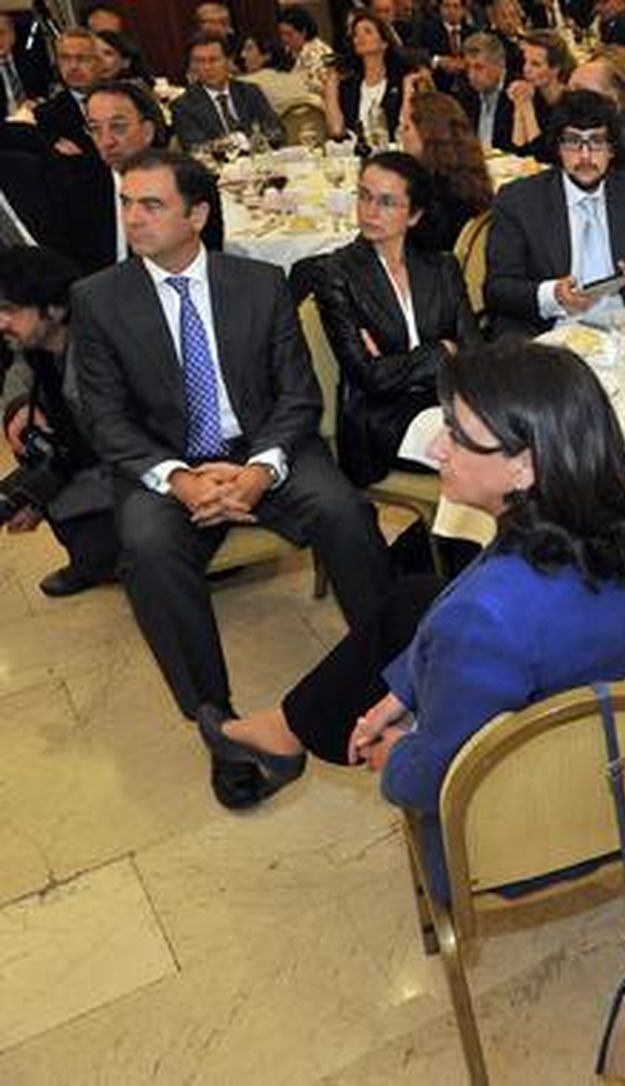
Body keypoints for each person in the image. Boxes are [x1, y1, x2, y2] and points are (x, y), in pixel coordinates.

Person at [195, 341, 625, 902]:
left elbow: (433, 777)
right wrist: (402, 689)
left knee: (417, 616)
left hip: (530, 836)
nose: (435, 448)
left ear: (524, 466)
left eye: (457, 435)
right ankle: (289, 729)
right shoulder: (621, 526)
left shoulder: (484, 617)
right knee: (411, 599)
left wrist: (392, 758)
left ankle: (285, 733)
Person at [70, 149, 391, 809]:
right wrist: (179, 480)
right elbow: (104, 420)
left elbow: (298, 395)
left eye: (151, 204)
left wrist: (258, 470)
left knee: (344, 512)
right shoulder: (98, 300)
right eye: (127, 202)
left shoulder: (259, 284)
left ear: (198, 214)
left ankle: (388, 679)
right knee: (150, 551)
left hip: (263, 448)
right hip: (165, 463)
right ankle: (219, 725)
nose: (133, 217)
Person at [310, 152, 481, 486]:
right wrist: (443, 352)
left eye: (387, 202)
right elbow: (368, 376)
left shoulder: (442, 267)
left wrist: (398, 364)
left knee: (522, 437)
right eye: (364, 196)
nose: (371, 211)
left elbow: (474, 351)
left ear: (414, 215)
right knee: (486, 457)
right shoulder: (335, 274)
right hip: (383, 418)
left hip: (448, 399)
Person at [484, 90, 625, 338]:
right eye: (574, 142)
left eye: (596, 142)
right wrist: (552, 295)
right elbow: (497, 289)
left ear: (611, 149)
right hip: (555, 336)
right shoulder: (520, 200)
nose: (585, 156)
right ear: (558, 147)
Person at [0, 246, 119, 597]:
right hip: (85, 458)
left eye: (9, 310)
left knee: (94, 543)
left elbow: (131, 458)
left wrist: (41, 497)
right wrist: (19, 405)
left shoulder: (100, 362)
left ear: (54, 308)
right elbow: (17, 368)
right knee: (29, 441)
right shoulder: (44, 341)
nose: (0, 322)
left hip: (142, 479)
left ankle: (100, 562)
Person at [61, 80, 226, 276]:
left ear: (148, 131)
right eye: (95, 129)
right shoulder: (76, 187)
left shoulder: (189, 182)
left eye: (118, 127)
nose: (106, 141)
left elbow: (209, 263)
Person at [395, 89, 493, 253]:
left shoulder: (429, 196)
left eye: (406, 128)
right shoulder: (469, 177)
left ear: (427, 134)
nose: (401, 135)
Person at [171, 33, 286, 150]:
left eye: (214, 60)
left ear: (228, 61)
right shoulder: (183, 106)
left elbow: (276, 130)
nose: (207, 67)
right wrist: (239, 142)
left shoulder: (249, 91)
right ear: (192, 66)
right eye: (200, 61)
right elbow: (196, 147)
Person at [323, 10, 418, 143]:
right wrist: (331, 86)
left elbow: (405, 129)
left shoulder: (401, 82)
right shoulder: (349, 85)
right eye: (356, 34)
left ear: (384, 43)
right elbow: (337, 131)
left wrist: (408, 89)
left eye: (367, 31)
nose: (359, 37)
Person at [567, 52, 625, 177]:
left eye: (579, 91)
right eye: (569, 91)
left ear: (611, 96)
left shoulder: (619, 144)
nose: (569, 99)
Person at [33, 27, 101, 156]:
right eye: (65, 58)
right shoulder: (45, 115)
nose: (73, 66)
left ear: (99, 62)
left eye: (82, 58)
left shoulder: (123, 100)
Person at [507, 30, 573, 158]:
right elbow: (519, 150)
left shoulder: (570, 104)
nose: (526, 69)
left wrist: (526, 107)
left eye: (535, 64)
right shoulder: (532, 94)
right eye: (525, 61)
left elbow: (543, 156)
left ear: (555, 69)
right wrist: (519, 105)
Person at [454, 31, 515, 151]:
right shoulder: (466, 93)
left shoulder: (517, 94)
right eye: (468, 67)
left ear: (500, 65)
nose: (471, 75)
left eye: (479, 67)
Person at [415, 0, 476, 91]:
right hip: (438, 87)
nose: (451, 11)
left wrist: (465, 63)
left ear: (463, 10)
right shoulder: (426, 30)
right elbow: (415, 54)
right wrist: (438, 61)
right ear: (440, 8)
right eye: (446, 6)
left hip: (468, 88)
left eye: (456, 6)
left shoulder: (473, 33)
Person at [278, 6, 337, 97]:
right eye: (282, 34)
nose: (284, 39)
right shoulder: (289, 52)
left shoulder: (317, 52)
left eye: (289, 34)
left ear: (303, 32)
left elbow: (317, 89)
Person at [0, 13, 49, 114]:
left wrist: (38, 102)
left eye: (1, 33)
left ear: (13, 34)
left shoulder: (31, 59)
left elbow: (47, 91)